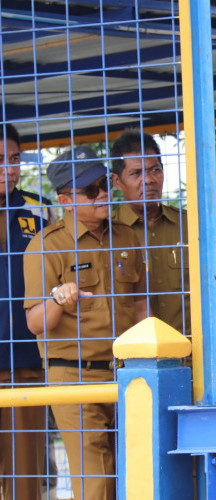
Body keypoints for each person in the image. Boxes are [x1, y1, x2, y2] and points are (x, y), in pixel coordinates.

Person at [24, 146, 147, 500]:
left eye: (105, 183)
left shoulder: (126, 237)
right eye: (91, 190)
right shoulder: (46, 246)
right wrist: (57, 299)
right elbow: (35, 322)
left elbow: (140, 305)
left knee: (138, 474)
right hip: (73, 376)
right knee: (96, 483)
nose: (104, 194)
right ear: (65, 199)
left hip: (126, 372)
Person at [0, 124, 54, 500]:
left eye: (15, 159)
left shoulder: (39, 210)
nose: (9, 168)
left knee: (25, 475)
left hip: (25, 360)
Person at [111, 130, 190, 334]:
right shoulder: (108, 232)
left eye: (155, 170)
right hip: (133, 357)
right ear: (117, 182)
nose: (148, 180)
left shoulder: (190, 225)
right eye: (136, 173)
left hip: (191, 350)